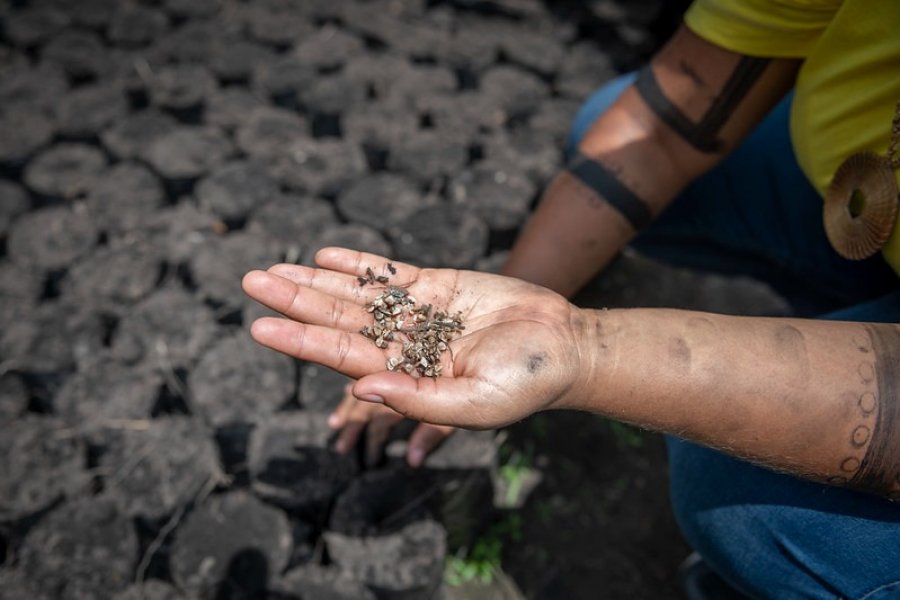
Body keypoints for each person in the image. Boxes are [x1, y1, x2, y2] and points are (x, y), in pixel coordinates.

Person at [243, 1, 900, 596]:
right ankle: (850, 306)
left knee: (744, 494)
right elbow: (663, 128)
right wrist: (523, 300)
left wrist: (581, 347)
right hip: (865, 183)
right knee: (604, 130)